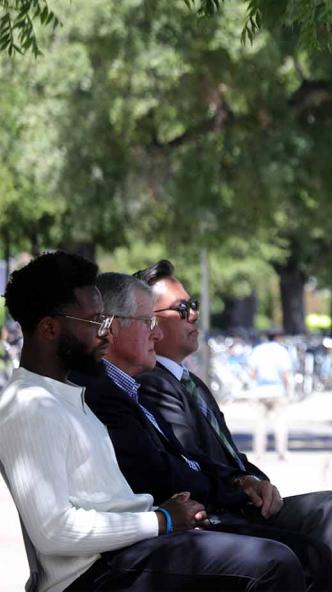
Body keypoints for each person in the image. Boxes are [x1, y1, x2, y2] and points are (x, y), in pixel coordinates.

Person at [0, 251, 306, 591]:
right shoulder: (28, 404)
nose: (105, 334)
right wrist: (161, 520)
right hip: (94, 575)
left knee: (296, 551)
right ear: (50, 328)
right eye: (95, 323)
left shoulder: (66, 395)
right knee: (273, 564)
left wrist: (170, 514)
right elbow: (55, 532)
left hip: (127, 555)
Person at [133, 259, 332, 590]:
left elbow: (230, 456)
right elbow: (193, 462)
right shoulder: (153, 383)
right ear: (149, 323)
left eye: (194, 305)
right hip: (219, 514)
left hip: (240, 503)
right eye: (182, 308)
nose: (194, 315)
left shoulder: (189, 381)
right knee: (321, 531)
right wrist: (243, 485)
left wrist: (256, 480)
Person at [72, 272, 332, 589]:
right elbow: (160, 473)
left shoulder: (135, 388)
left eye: (192, 305)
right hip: (170, 530)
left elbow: (191, 458)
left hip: (201, 514)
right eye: (148, 321)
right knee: (299, 555)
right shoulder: (108, 391)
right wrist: (234, 489)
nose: (154, 334)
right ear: (111, 327)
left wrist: (244, 479)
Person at [249, 330, 294, 460]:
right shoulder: (281, 351)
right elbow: (286, 374)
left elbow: (252, 373)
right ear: (278, 337)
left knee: (260, 423)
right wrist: (288, 390)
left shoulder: (258, 350)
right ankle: (281, 451)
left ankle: (259, 452)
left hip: (260, 391)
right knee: (280, 422)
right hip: (277, 390)